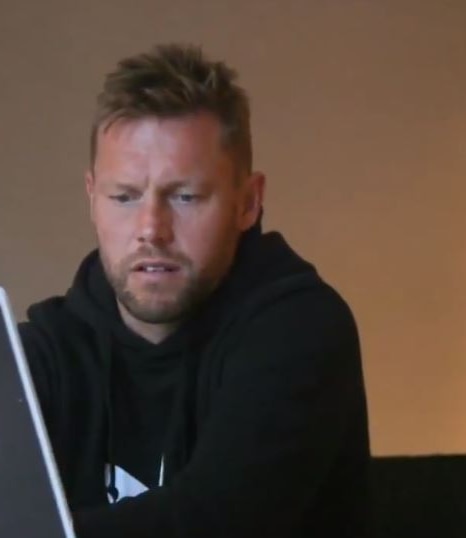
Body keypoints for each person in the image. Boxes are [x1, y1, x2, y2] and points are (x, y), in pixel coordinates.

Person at [18, 43, 370, 537]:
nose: (151, 229)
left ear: (248, 203)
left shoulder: (302, 328)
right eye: (124, 197)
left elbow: (213, 521)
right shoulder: (46, 352)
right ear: (91, 199)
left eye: (184, 196)